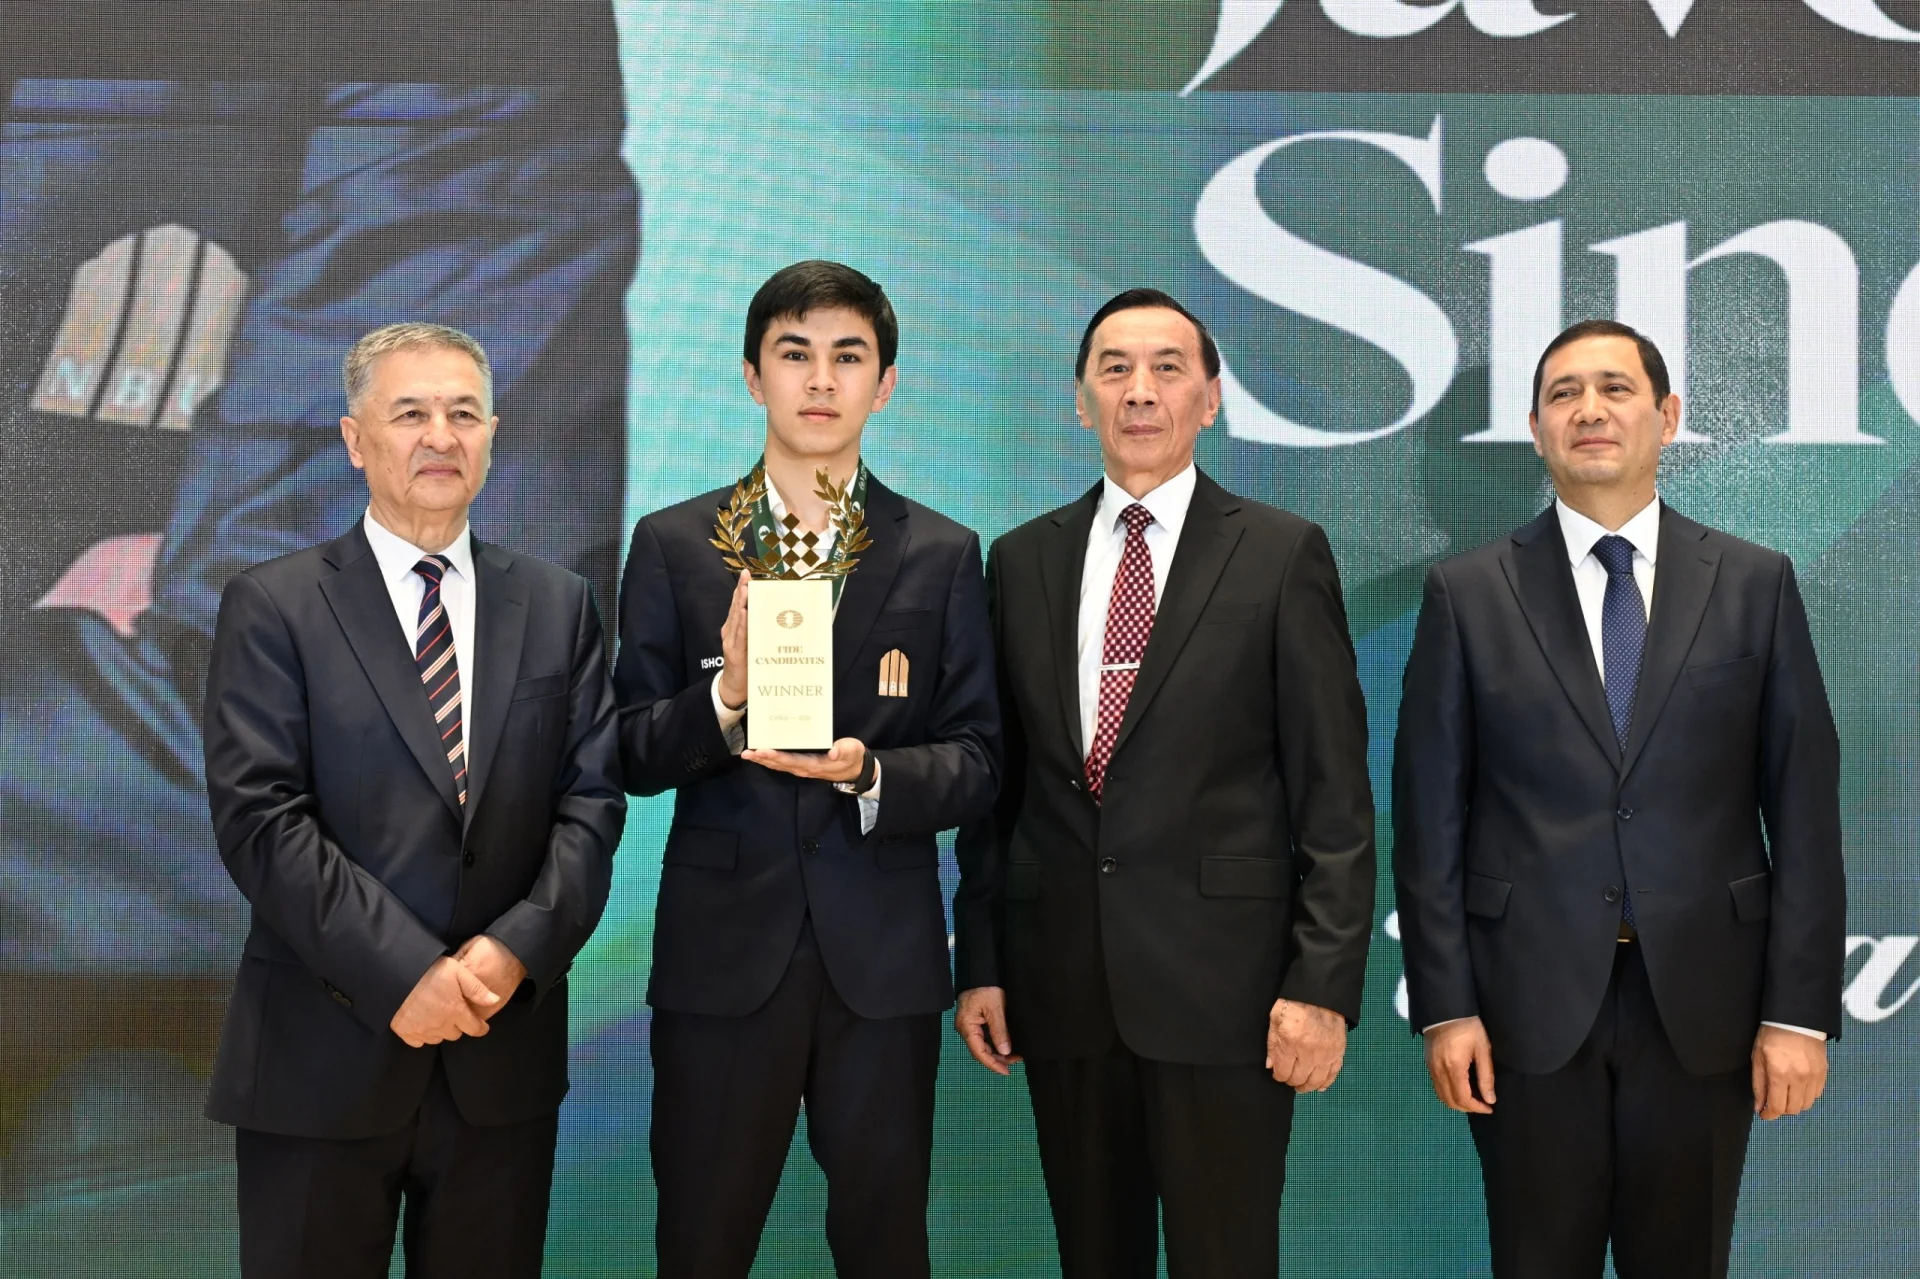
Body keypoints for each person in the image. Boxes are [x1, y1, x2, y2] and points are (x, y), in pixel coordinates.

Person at [1392, 319, 1845, 1277]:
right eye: (1563, 394)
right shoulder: (1467, 593)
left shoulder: (1754, 582)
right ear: (1536, 429)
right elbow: (1428, 821)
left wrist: (1798, 1012)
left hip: (1706, 1004)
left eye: (1615, 389)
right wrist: (1447, 1007)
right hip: (1523, 1007)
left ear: (1667, 416)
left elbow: (1804, 808)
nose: (1589, 410)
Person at [952, 288, 1376, 1277]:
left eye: (1167, 368)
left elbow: (1335, 799)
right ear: (1081, 401)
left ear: (1211, 399)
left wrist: (1321, 985)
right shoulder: (1021, 559)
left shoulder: (1280, 553)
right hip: (1064, 989)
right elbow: (998, 793)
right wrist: (982, 959)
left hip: (1229, 997)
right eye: (1115, 370)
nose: (1140, 391)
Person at [200, 323, 626, 1277]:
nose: (441, 435)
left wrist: (514, 952)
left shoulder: (558, 604)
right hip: (319, 1064)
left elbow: (592, 804)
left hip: (500, 1059)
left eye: (463, 413)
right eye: (411, 413)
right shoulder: (275, 605)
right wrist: (406, 973)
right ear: (356, 440)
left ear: (492, 436)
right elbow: (261, 818)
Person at [616, 260, 1000, 1278]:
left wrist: (873, 773)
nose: (820, 380)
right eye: (795, 354)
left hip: (882, 962)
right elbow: (630, 748)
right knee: (700, 1242)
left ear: (886, 383)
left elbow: (979, 760)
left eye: (848, 357)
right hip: (721, 958)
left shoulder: (943, 553)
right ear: (753, 377)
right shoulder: (674, 544)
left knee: (885, 1242)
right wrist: (726, 699)